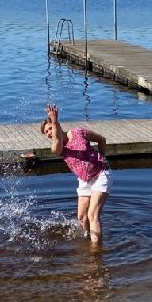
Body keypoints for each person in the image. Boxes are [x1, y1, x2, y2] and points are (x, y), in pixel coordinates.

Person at [40, 104, 111, 242]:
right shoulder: (56, 148)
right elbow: (58, 140)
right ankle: (86, 244)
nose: (49, 133)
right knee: (82, 218)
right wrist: (53, 121)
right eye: (46, 133)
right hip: (84, 179)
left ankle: (95, 254)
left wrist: (102, 158)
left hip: (101, 174)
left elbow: (101, 139)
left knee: (92, 215)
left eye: (49, 129)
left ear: (58, 126)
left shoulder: (78, 132)